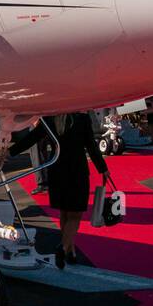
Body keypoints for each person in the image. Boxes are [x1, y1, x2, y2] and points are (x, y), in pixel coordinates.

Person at [12, 113, 109, 269]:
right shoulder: (81, 118)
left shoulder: (50, 118)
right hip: (77, 169)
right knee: (75, 214)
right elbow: (90, 145)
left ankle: (70, 251)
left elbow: (32, 138)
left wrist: (9, 152)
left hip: (57, 168)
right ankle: (63, 247)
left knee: (65, 212)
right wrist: (102, 168)